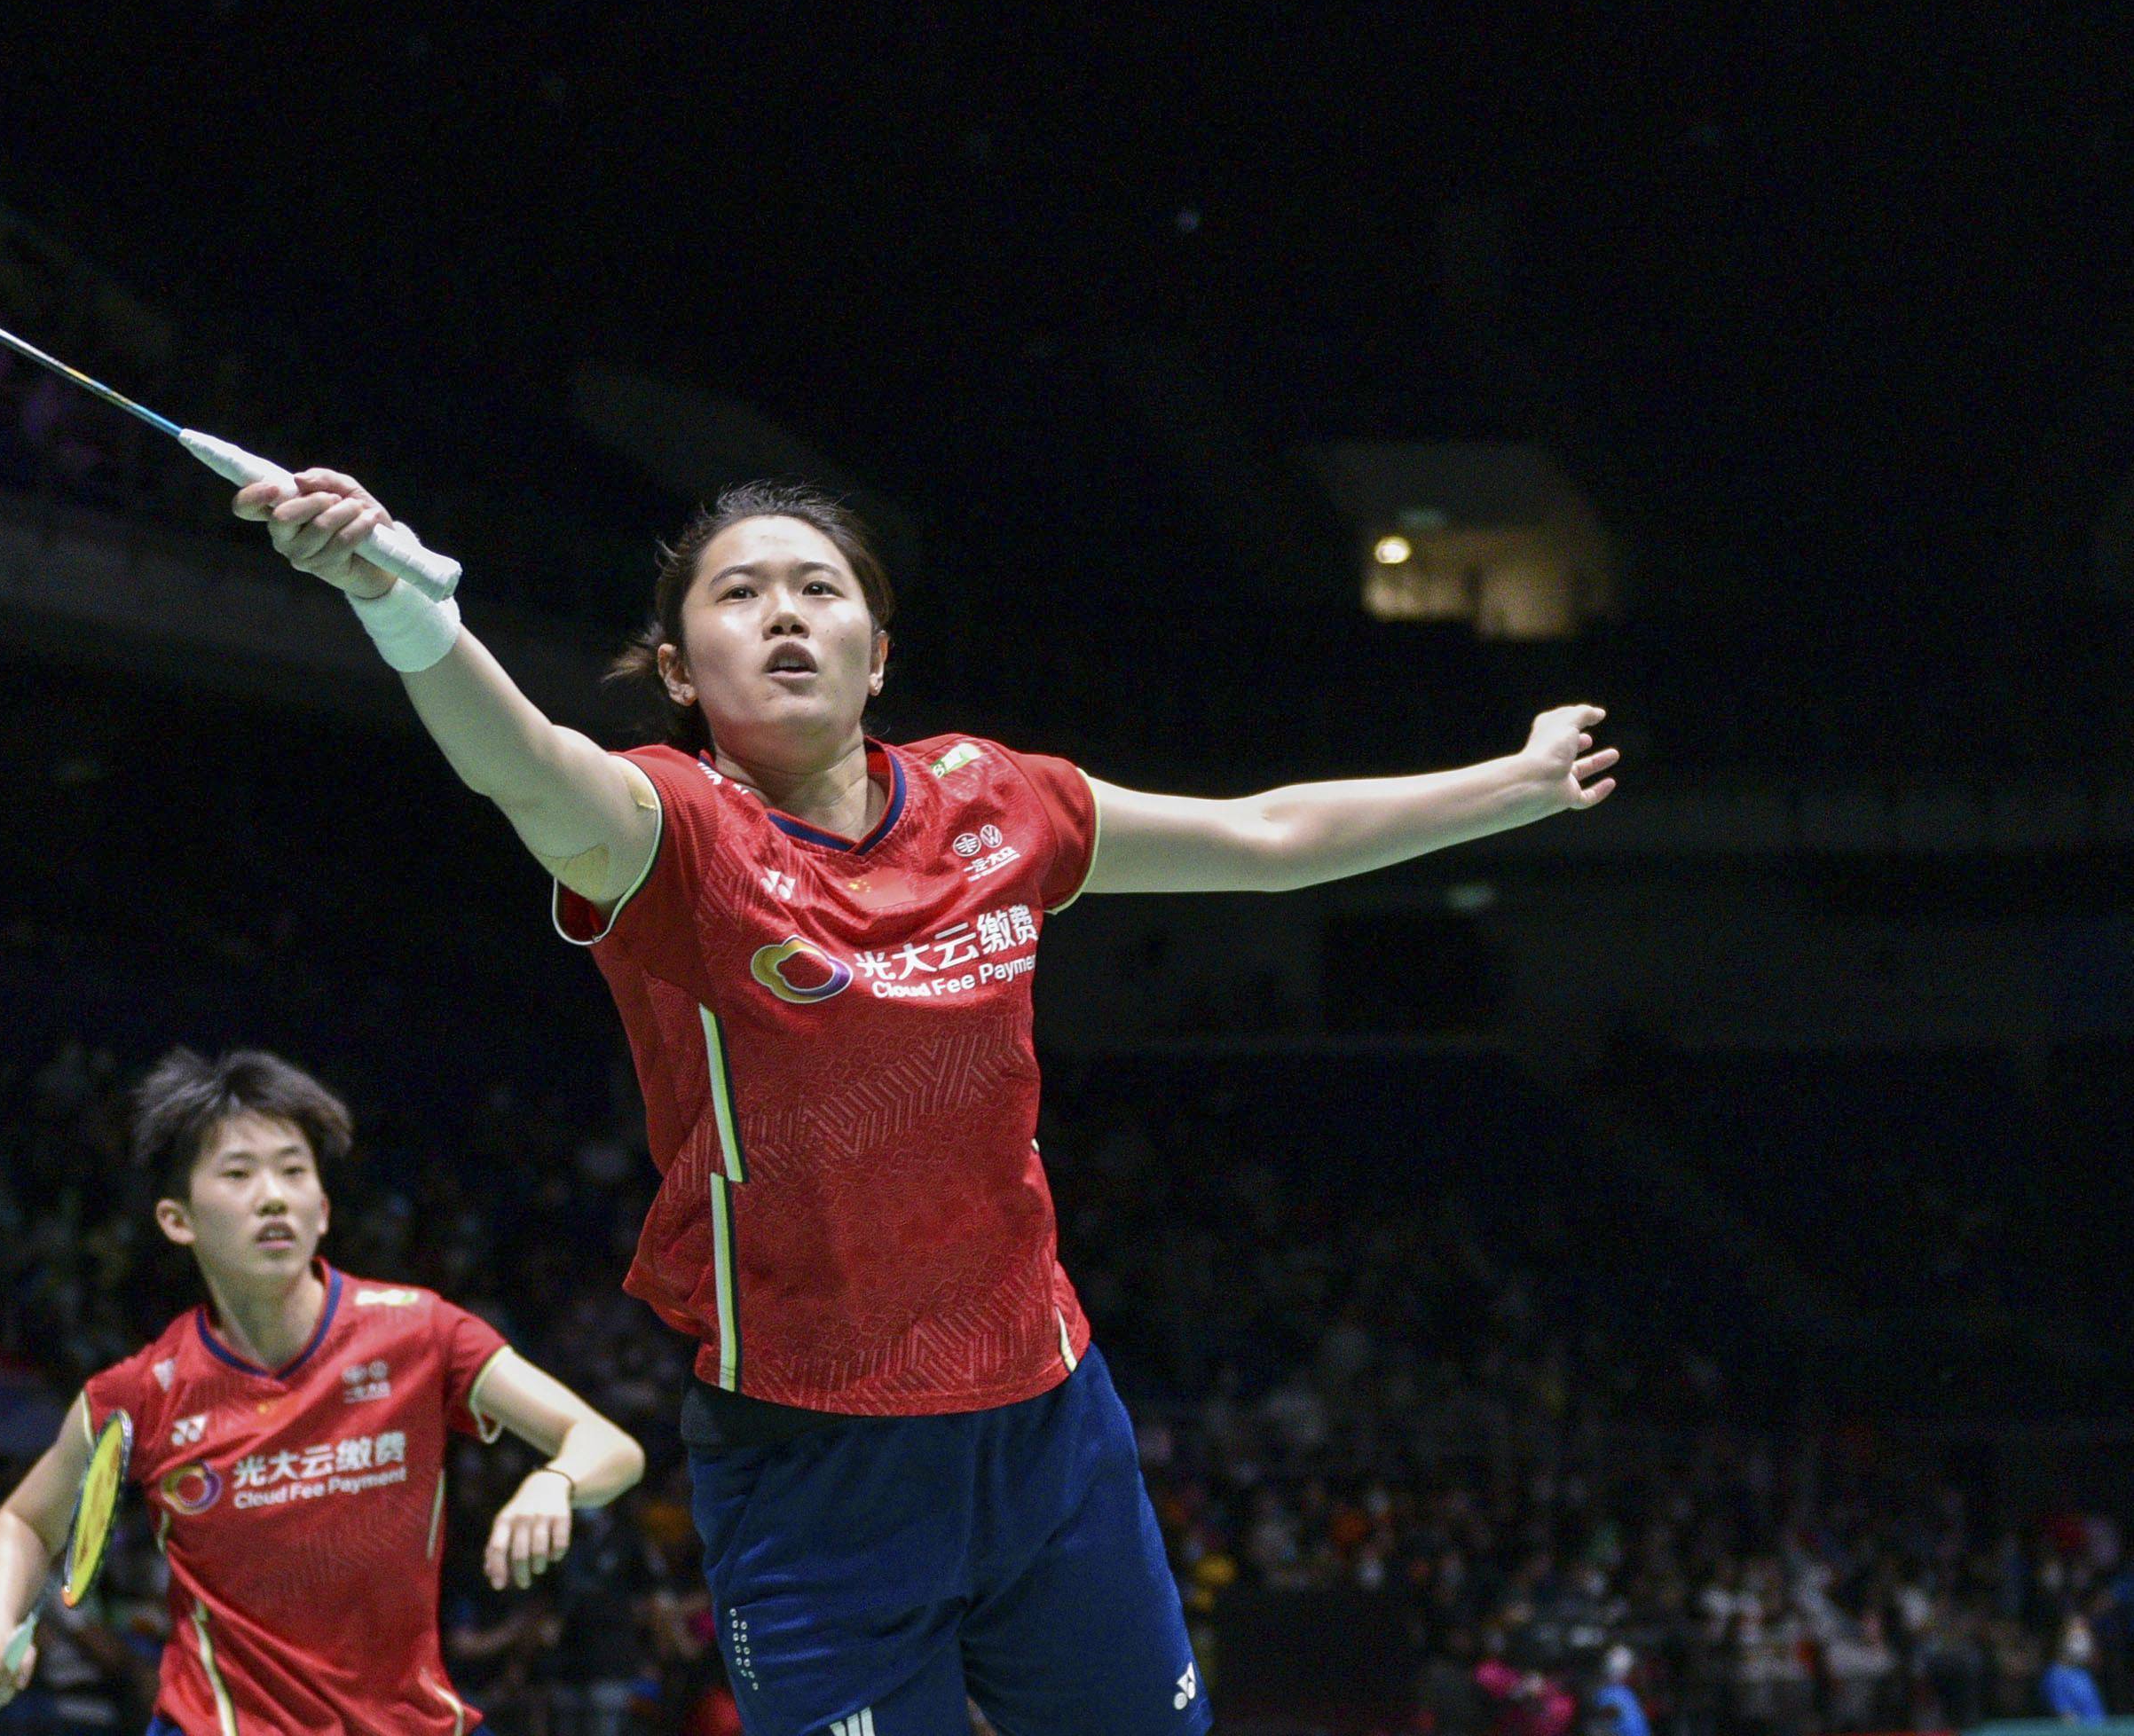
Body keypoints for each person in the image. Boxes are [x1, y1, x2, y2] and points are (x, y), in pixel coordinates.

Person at [235, 472, 1619, 1736]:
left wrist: (1514, 785)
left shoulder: (994, 801)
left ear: (877, 654)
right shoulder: (671, 834)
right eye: (739, 593)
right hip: (813, 1454)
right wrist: (398, 608)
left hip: (1045, 1418)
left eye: (819, 589)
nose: (784, 614)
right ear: (676, 668)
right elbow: (522, 763)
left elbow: (1263, 840)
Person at [0, 1048, 647, 1736]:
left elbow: (608, 1447)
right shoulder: (141, 1394)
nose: (273, 1196)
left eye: (294, 1171)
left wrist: (555, 1481)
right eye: (238, 1173)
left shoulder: (420, 1333)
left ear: (321, 1209)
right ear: (178, 1221)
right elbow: (24, 1524)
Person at [2044, 1617, 2106, 1724]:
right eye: (2077, 1638)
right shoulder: (2056, 1676)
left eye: (2086, 1637)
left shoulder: (2083, 1673)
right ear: (2063, 1639)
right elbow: (2067, 1719)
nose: (2084, 1643)